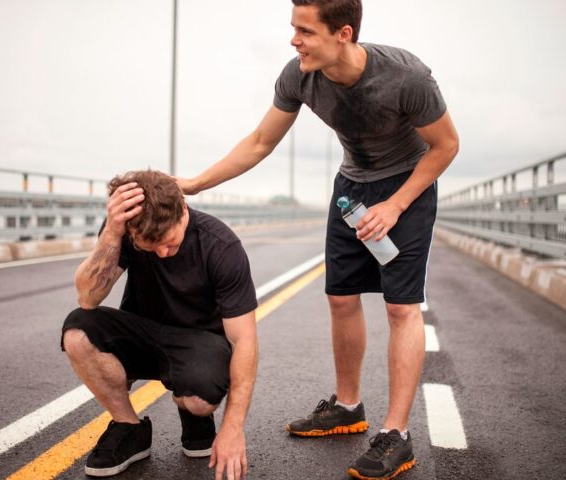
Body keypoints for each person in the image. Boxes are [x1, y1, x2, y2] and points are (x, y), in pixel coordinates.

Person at [176, 1, 459, 478]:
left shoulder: (407, 77)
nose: (293, 40)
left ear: (343, 33)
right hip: (352, 186)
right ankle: (348, 407)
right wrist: (197, 183)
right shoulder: (300, 75)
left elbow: (446, 145)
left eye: (304, 31)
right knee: (341, 299)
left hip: (407, 185)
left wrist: (396, 205)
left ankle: (397, 434)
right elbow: (261, 141)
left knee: (399, 307)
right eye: (293, 28)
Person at [61, 169, 258, 479]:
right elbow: (87, 298)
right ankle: (129, 427)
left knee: (199, 400)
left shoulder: (220, 246)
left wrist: (233, 429)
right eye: (151, 248)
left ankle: (191, 410)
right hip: (144, 334)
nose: (163, 254)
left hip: (199, 343)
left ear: (182, 210)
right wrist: (112, 232)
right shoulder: (124, 229)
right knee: (77, 332)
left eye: (170, 242)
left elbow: (244, 341)